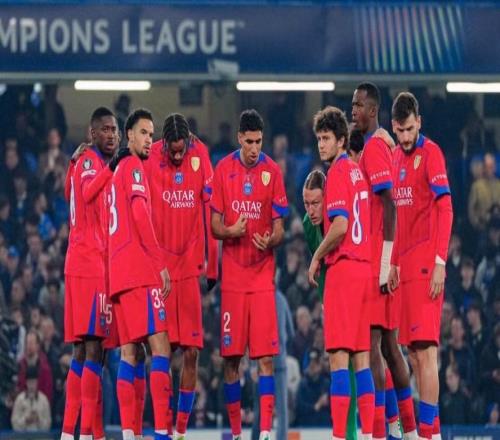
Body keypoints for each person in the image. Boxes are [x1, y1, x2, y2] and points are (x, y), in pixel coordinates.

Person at [211, 109, 288, 440]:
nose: (255, 148)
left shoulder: (273, 172)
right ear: (239, 138)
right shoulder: (223, 170)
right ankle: (236, 434)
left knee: (265, 358)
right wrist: (231, 231)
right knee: (231, 360)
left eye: (259, 142)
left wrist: (271, 239)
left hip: (261, 279)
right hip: (232, 279)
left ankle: (266, 432)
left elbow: (280, 227)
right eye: (250, 142)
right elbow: (214, 225)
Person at [144, 113, 218, 440]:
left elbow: (212, 208)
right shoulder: (149, 156)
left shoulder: (200, 154)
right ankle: (161, 429)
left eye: (181, 150)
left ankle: (181, 432)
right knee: (161, 353)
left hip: (188, 270)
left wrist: (213, 265)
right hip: (159, 270)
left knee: (192, 352)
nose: (177, 156)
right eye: (172, 151)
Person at [388, 92, 453, 439]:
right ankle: (433, 431)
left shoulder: (432, 153)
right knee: (413, 354)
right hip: (405, 269)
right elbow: (399, 218)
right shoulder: (395, 158)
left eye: (410, 129)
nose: (405, 137)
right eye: (400, 131)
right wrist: (393, 263)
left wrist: (440, 261)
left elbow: (446, 208)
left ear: (419, 123)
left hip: (428, 265)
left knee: (426, 353)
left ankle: (429, 434)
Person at [352, 82, 416, 439]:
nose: (353, 111)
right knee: (391, 348)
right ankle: (404, 429)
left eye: (359, 105)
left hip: (378, 258)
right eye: (353, 104)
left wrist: (385, 262)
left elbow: (389, 204)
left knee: (373, 346)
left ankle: (380, 431)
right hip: (385, 258)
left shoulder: (376, 147)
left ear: (373, 110)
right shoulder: (379, 145)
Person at [308, 106, 375, 440]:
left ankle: (338, 436)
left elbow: (340, 226)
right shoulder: (357, 172)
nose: (322, 145)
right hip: (365, 270)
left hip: (344, 270)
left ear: (341, 140)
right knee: (362, 360)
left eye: (327, 138)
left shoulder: (335, 173)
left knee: (338, 359)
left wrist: (316, 257)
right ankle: (368, 435)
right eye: (319, 138)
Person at [108, 108, 174, 440]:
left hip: (118, 275)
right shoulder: (133, 166)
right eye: (143, 133)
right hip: (138, 271)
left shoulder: (117, 171)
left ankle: (129, 433)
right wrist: (159, 263)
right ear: (129, 135)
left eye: (152, 134)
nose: (149, 139)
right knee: (161, 347)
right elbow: (137, 212)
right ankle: (161, 433)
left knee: (130, 352)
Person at [61, 107, 126, 440]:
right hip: (90, 266)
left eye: (115, 130)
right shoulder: (91, 161)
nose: (112, 135)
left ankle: (71, 432)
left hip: (81, 264)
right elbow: (86, 192)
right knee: (94, 350)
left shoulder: (81, 161)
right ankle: (86, 434)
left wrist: (72, 164)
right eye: (105, 129)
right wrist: (112, 167)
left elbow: (68, 193)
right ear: (92, 133)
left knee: (83, 351)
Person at [302, 169, 358, 440]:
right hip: (332, 294)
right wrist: (326, 302)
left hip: (354, 288)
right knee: (342, 364)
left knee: (364, 361)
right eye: (306, 203)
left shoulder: (340, 217)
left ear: (327, 198)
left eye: (316, 203)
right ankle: (347, 434)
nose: (311, 210)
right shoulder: (307, 224)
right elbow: (322, 268)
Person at [11, 366, 51, 431]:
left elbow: (48, 425)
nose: (31, 385)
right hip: (23, 435)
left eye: (34, 382)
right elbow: (14, 424)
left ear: (37, 382)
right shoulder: (19, 399)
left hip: (40, 435)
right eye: (29, 382)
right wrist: (26, 420)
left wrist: (38, 419)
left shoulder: (44, 400)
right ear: (26, 382)